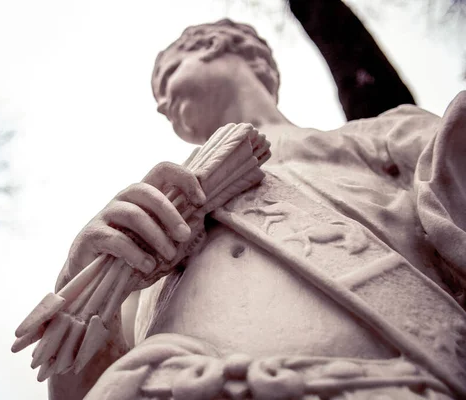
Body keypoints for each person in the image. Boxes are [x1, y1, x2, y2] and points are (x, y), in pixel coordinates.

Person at [49, 19, 466, 399]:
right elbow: (82, 388)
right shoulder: (151, 227)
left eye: (167, 76)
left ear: (211, 45)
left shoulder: (380, 138)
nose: (161, 105)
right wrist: (79, 288)